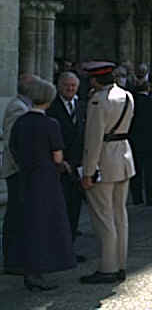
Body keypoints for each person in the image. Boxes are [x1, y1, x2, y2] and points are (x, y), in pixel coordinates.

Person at [10, 77, 76, 290]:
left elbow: (14, 148)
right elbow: (57, 156)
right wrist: (63, 166)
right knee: (44, 223)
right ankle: (37, 270)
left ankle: (27, 266)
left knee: (28, 221)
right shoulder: (50, 124)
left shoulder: (21, 121)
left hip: (26, 175)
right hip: (45, 178)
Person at [80, 61, 136, 284]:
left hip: (104, 159)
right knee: (119, 215)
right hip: (123, 156)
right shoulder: (127, 96)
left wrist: (88, 171)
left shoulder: (97, 100)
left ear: (94, 80)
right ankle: (120, 263)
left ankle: (108, 267)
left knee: (104, 217)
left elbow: (93, 139)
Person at [46, 72, 86, 255]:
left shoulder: (81, 106)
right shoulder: (51, 107)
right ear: (58, 86)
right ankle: (57, 248)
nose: (70, 89)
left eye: (73, 86)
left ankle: (69, 247)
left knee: (74, 208)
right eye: (66, 85)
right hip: (58, 166)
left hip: (77, 166)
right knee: (57, 209)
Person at [1, 74, 36, 275]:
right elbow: (12, 142)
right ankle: (12, 260)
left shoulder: (24, 105)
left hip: (19, 169)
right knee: (15, 215)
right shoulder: (17, 107)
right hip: (16, 170)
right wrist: (22, 167)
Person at [128, 80, 152, 206]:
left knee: (136, 171)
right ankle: (151, 196)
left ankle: (137, 197)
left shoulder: (132, 103)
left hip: (134, 141)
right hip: (151, 142)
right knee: (150, 171)